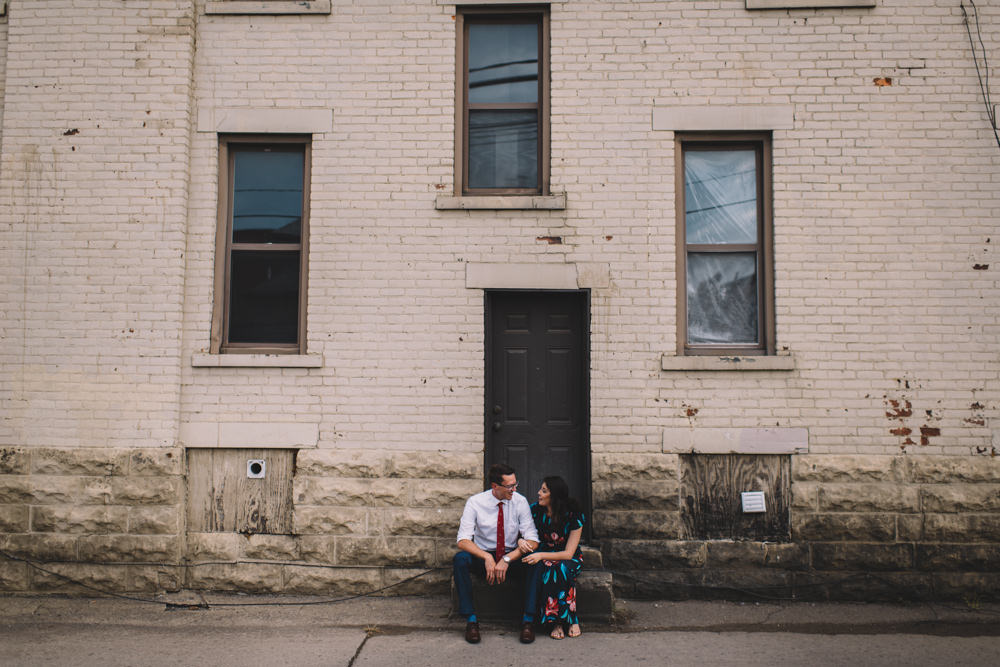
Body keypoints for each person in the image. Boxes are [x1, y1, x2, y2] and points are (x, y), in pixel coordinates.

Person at [454, 463, 540, 644]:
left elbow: (532, 540)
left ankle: (528, 621)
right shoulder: (475, 502)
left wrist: (508, 559)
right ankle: (471, 620)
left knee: (536, 562)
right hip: (483, 556)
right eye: (510, 486)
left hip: (511, 556)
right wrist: (486, 557)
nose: (514, 489)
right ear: (495, 486)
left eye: (515, 484)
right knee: (460, 560)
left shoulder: (520, 501)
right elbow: (463, 540)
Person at [519, 475, 585, 640]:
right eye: (541, 490)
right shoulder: (534, 510)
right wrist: (520, 540)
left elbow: (569, 553)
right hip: (544, 554)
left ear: (554, 495)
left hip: (569, 557)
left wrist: (540, 555)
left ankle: (571, 619)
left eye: (544, 491)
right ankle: (555, 622)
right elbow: (519, 531)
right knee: (549, 568)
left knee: (559, 568)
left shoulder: (574, 514)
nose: (538, 493)